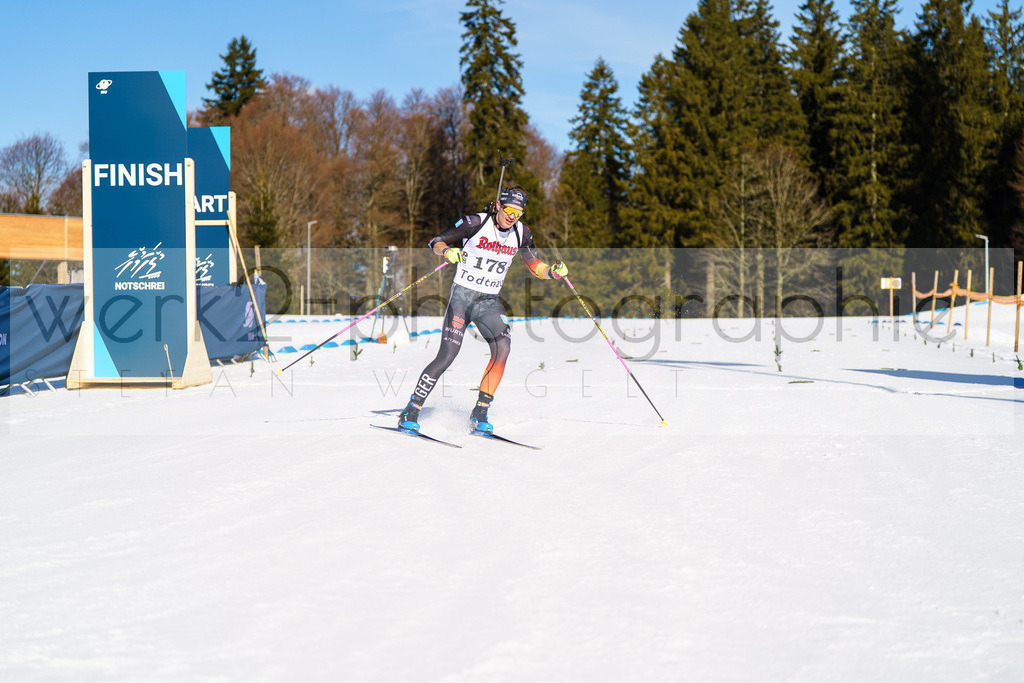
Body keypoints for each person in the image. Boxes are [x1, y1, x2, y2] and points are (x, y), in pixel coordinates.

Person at [397, 185, 568, 435]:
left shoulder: (522, 232)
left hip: (489, 302)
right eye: (509, 210)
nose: (512, 217)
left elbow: (534, 264)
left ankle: (480, 412)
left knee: (503, 348)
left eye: (518, 213)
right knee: (447, 356)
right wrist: (448, 251)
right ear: (498, 205)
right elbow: (435, 241)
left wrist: (552, 272)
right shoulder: (475, 222)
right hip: (462, 299)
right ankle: (411, 409)